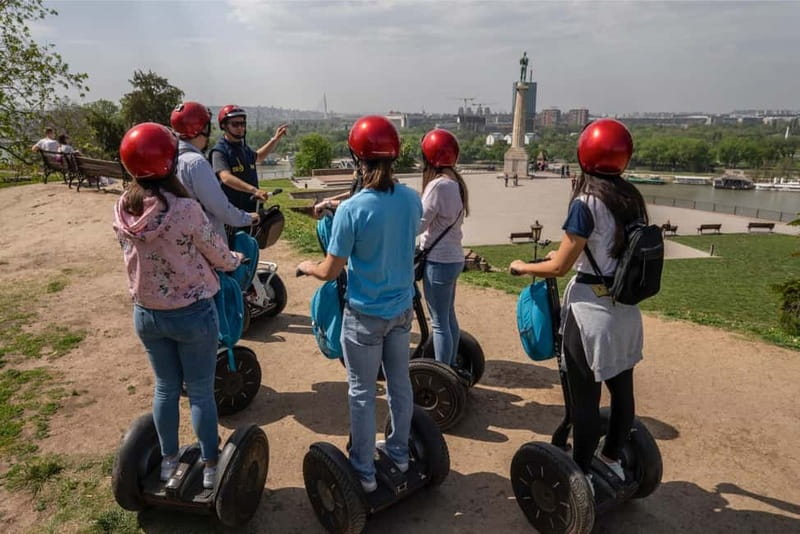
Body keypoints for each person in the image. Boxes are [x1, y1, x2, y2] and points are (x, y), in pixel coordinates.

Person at [509, 118, 645, 491]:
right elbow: (608, 250)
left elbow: (559, 266)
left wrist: (522, 266)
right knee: (622, 391)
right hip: (626, 311)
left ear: (585, 155)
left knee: (583, 397)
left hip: (590, 314)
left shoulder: (586, 203)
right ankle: (612, 457)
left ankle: (580, 469)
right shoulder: (632, 198)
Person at [114, 122, 243, 490]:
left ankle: (169, 460)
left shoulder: (123, 207)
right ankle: (210, 464)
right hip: (191, 313)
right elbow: (217, 255)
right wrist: (234, 259)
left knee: (166, 388)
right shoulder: (185, 209)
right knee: (201, 390)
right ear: (170, 162)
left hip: (147, 313)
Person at [297, 115, 422, 493]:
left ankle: (364, 472)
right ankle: (399, 453)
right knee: (400, 385)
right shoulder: (411, 199)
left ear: (357, 160)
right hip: (401, 311)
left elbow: (331, 271)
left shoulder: (352, 211)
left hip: (365, 315)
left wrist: (308, 267)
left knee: (362, 393)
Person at [170, 101, 258, 238]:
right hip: (206, 239)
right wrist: (247, 218)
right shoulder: (196, 163)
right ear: (203, 129)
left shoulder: (171, 158)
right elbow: (219, 207)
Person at [418, 128, 468, 369]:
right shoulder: (455, 182)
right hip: (453, 258)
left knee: (438, 322)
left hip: (438, 261)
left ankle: (442, 371)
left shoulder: (437, 186)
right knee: (448, 317)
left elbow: (419, 224)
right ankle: (451, 366)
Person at [209, 105, 288, 220]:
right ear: (223, 125)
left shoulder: (243, 148)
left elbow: (258, 157)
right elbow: (225, 177)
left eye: (242, 124)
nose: (240, 128)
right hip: (233, 214)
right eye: (235, 124)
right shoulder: (220, 151)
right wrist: (254, 190)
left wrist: (275, 139)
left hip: (252, 210)